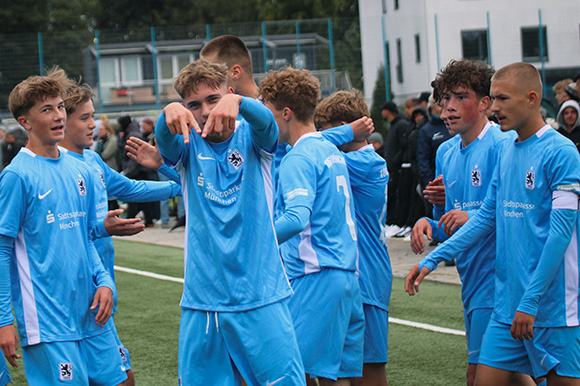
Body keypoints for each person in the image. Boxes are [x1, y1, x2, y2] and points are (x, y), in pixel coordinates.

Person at [407, 62, 580, 386]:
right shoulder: (507, 152)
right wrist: (431, 259)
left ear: (531, 99)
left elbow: (560, 234)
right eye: (493, 98)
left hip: (553, 307)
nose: (495, 107)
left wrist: (531, 300)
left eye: (502, 99)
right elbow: (486, 217)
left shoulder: (562, 152)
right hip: (506, 303)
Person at [155, 59, 304, 386]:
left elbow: (268, 124)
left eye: (213, 99)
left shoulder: (255, 140)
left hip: (260, 295)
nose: (205, 110)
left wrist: (239, 103)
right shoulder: (186, 149)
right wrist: (168, 111)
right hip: (203, 302)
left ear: (229, 94)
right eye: (194, 105)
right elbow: (163, 140)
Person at [405, 59, 527, 386]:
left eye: (460, 97)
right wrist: (427, 224)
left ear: (485, 103)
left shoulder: (504, 145)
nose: (448, 108)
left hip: (501, 280)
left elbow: (517, 215)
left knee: (482, 375)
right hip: (471, 280)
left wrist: (470, 216)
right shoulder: (445, 152)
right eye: (445, 99)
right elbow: (449, 223)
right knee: (517, 374)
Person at [0, 72, 126, 384]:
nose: (58, 116)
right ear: (24, 122)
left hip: (91, 314)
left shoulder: (80, 170)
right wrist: (3, 321)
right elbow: (2, 251)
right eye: (46, 110)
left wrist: (104, 281)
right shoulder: (17, 176)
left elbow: (84, 239)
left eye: (60, 107)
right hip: (48, 323)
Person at [59, 79, 182, 386]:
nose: (94, 124)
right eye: (84, 117)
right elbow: (58, 233)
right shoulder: (52, 169)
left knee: (121, 378)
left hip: (102, 286)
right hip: (71, 292)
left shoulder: (91, 159)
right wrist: (102, 228)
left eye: (93, 116)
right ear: (62, 121)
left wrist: (186, 184)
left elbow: (130, 188)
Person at [260, 67, 364, 386]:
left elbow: (296, 218)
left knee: (294, 372)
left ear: (286, 113)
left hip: (316, 275)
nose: (264, 123)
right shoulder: (329, 149)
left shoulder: (299, 157)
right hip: (347, 275)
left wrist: (255, 241)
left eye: (268, 114)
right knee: (337, 378)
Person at [315, 89, 390, 386]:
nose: (320, 135)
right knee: (339, 368)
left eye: (325, 129)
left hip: (367, 275)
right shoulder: (354, 159)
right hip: (354, 272)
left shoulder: (361, 163)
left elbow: (309, 148)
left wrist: (344, 133)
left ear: (348, 126)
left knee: (369, 369)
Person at [118, 115, 159, 227]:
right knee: (142, 197)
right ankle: (148, 220)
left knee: (134, 196)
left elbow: (134, 156)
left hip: (137, 171)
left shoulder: (133, 135)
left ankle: (130, 220)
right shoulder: (131, 133)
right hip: (137, 169)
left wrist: (128, 171)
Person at [381, 101, 411, 236]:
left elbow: (403, 145)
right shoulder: (394, 125)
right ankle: (392, 221)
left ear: (388, 111)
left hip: (397, 167)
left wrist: (395, 161)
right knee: (391, 194)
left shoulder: (401, 124)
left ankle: (397, 222)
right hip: (391, 166)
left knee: (397, 195)